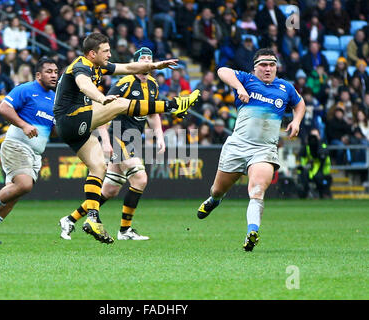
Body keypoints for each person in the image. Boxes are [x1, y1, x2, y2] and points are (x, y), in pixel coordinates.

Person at [53, 32, 199, 244]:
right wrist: (102, 99)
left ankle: (90, 219)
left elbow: (129, 67)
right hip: (72, 119)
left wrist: (156, 66)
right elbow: (85, 85)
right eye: (106, 51)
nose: (110, 54)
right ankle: (174, 105)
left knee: (98, 169)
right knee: (121, 104)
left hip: (77, 127)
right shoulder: (81, 66)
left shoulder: (100, 67)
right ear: (92, 53)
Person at [196, 48, 306, 251]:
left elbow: (300, 104)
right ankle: (215, 200)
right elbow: (222, 71)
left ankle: (252, 232)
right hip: (238, 145)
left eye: (272, 64)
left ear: (276, 67)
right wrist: (239, 88)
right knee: (218, 189)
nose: (268, 68)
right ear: (255, 67)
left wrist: (296, 122)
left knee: (257, 190)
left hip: (264, 149)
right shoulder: (246, 79)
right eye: (263, 65)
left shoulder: (285, 87)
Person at [59, 47, 164, 241]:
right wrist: (106, 141)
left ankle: (69, 219)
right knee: (140, 179)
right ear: (136, 63)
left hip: (132, 139)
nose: (147, 63)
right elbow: (102, 108)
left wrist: (160, 135)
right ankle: (125, 230)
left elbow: (152, 113)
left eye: (150, 59)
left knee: (109, 190)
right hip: (118, 136)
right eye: (143, 59)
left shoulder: (153, 84)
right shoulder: (125, 82)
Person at [0, 58, 59, 244]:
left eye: (56, 72)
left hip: (35, 154)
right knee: (24, 185)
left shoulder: (54, 98)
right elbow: (3, 107)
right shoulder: (25, 89)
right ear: (38, 75)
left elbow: (55, 129)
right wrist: (24, 124)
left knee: (13, 196)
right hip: (17, 145)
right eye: (49, 71)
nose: (54, 75)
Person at [297, 129, 332, 199]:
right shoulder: (307, 147)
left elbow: (323, 155)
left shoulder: (323, 146)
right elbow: (302, 160)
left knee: (320, 180)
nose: (314, 138)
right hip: (311, 170)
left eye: (315, 136)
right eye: (312, 136)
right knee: (303, 177)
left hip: (323, 171)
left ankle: (323, 194)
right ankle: (305, 194)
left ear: (319, 136)